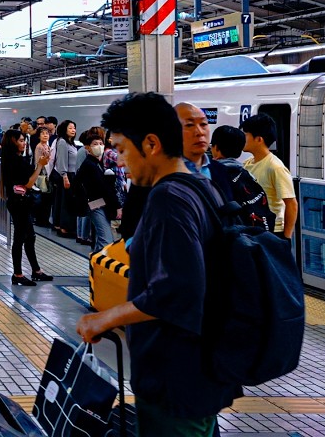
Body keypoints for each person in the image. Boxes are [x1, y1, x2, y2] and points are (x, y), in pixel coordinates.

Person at [76, 92, 239, 435]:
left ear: (150, 144)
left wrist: (104, 318)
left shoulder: (169, 198)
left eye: (121, 149)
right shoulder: (197, 186)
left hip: (176, 376)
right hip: (199, 369)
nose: (119, 161)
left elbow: (176, 292)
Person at [1, 129, 53, 285]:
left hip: (19, 202)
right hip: (20, 202)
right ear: (13, 142)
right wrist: (40, 166)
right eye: (21, 140)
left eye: (24, 140)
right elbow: (29, 183)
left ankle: (36, 270)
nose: (24, 143)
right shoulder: (15, 161)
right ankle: (17, 274)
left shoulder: (13, 159)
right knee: (20, 238)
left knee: (29, 237)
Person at [242, 114, 298, 239]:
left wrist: (286, 238)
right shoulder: (247, 164)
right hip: (255, 227)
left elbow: (291, 204)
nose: (242, 138)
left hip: (273, 230)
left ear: (259, 139)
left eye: (246, 135)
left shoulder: (275, 167)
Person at [74, 127, 117, 252]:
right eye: (95, 144)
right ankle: (99, 265)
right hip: (95, 203)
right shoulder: (89, 164)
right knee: (106, 239)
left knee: (101, 238)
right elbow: (77, 183)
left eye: (100, 143)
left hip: (99, 203)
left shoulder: (97, 163)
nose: (99, 146)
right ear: (87, 147)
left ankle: (95, 265)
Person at [51, 119, 79, 238]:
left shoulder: (70, 142)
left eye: (74, 128)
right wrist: (65, 177)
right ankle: (64, 228)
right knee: (67, 203)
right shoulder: (62, 142)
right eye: (70, 128)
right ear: (64, 129)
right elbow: (61, 160)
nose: (73, 130)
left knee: (62, 201)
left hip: (70, 175)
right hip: (67, 175)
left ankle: (59, 225)